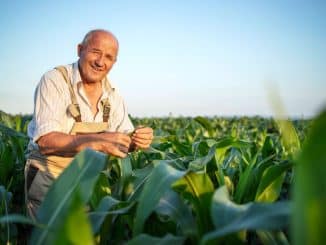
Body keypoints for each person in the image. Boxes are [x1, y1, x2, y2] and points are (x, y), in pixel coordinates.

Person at [24, 29, 153, 219]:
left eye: (109, 57)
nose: (101, 62)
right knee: (47, 236)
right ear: (80, 50)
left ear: (114, 63)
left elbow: (124, 139)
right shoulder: (55, 80)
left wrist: (137, 139)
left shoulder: (113, 96)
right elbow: (46, 141)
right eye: (95, 52)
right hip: (48, 177)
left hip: (89, 180)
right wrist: (100, 141)